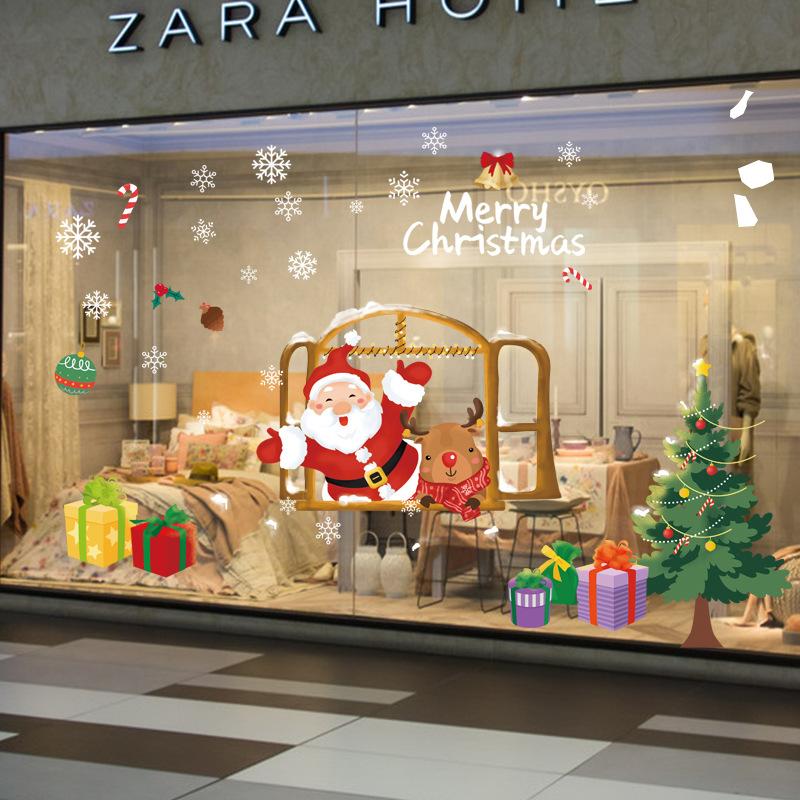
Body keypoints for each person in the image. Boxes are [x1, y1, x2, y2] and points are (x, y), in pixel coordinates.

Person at [257, 330, 432, 502]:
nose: (342, 407)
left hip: (409, 479)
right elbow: (290, 450)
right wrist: (283, 446)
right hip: (349, 499)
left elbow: (399, 402)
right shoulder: (319, 446)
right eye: (329, 400)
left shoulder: (382, 421)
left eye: (352, 396)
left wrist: (408, 381)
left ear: (367, 398)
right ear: (315, 407)